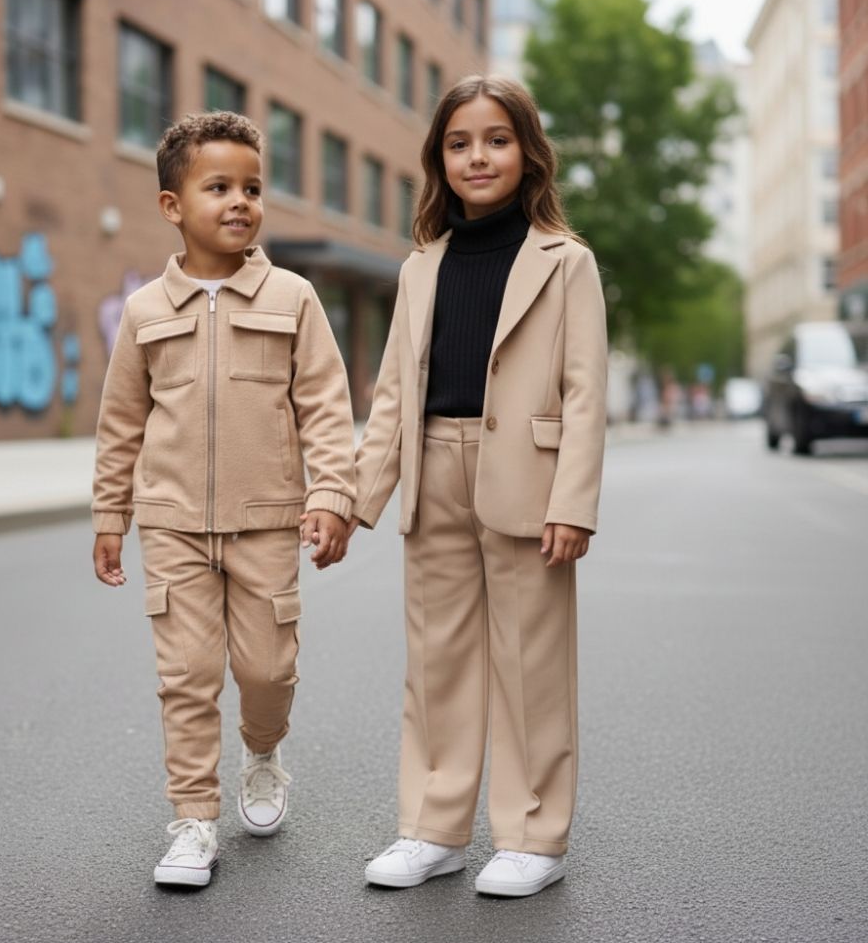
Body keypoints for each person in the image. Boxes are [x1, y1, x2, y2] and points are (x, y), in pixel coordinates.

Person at [349, 76, 608, 898]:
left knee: (531, 662)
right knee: (436, 660)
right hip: (433, 467)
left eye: (497, 140)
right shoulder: (420, 266)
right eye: (459, 144)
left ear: (528, 153)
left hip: (527, 478)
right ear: (439, 160)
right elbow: (393, 392)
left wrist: (573, 502)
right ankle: (433, 829)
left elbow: (585, 393)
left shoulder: (566, 262)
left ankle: (533, 837)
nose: (478, 157)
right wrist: (355, 501)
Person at [91, 111, 355, 889]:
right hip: (172, 526)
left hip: (267, 522)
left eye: (252, 187)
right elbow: (120, 424)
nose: (241, 201)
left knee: (267, 670)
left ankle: (263, 751)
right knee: (187, 673)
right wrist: (110, 516)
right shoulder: (145, 312)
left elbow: (326, 407)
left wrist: (331, 492)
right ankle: (193, 819)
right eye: (219, 187)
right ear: (172, 205)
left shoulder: (294, 297)